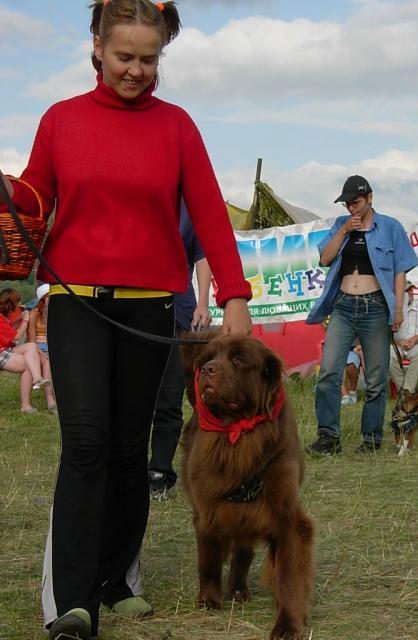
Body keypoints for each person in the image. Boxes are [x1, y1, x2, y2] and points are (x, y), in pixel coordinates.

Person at [0, 2, 251, 639]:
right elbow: (33, 198)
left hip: (150, 304)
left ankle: (119, 580)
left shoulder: (177, 127)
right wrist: (13, 204)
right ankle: (72, 600)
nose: (136, 70)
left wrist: (235, 296)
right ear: (97, 48)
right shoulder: (60, 120)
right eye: (124, 57)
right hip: (78, 302)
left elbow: (212, 215)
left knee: (128, 449)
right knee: (85, 442)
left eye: (149, 58)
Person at [305, 175, 418, 454]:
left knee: (378, 378)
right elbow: (324, 259)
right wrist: (344, 230)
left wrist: (399, 309)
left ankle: (371, 439)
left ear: (369, 198)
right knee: (329, 371)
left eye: (355, 202)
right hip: (343, 306)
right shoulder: (340, 226)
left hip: (376, 306)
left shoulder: (391, 226)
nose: (351, 208)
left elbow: (401, 270)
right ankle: (328, 437)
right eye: (346, 204)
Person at [149, 202, 212, 500]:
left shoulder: (191, 207)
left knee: (170, 396)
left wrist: (203, 303)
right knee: (133, 396)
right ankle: (124, 471)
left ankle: (160, 472)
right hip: (134, 307)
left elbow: (202, 256)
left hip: (178, 310)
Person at [0, 288, 51, 411]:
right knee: (29, 364)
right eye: (17, 302)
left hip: (6, 348)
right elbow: (16, 337)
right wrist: (26, 319)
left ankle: (37, 379)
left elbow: (12, 331)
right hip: (1, 351)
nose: (18, 305)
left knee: (32, 347)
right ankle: (26, 404)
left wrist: (20, 319)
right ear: (10, 303)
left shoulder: (5, 316)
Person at [27, 284, 57, 413]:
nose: (48, 301)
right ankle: (50, 401)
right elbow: (31, 339)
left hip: (52, 344)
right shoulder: (34, 314)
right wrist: (40, 351)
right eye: (46, 298)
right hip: (38, 346)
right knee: (47, 362)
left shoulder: (56, 313)